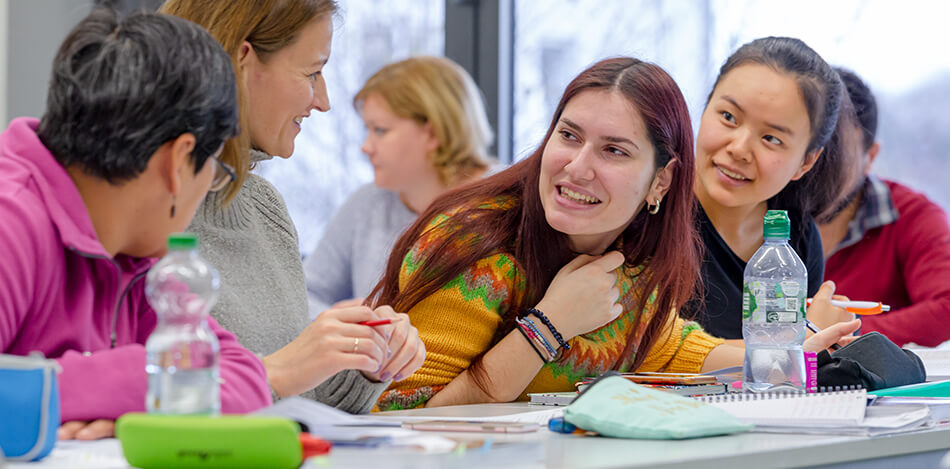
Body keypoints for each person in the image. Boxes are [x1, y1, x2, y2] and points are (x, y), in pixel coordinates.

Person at [367, 57, 859, 410]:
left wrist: (784, 354)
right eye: (569, 135)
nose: (577, 168)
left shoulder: (633, 255)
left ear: (661, 181)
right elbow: (405, 409)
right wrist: (550, 324)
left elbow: (667, 344)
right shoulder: (474, 242)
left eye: (614, 151)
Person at [0, 9, 270, 440]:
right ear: (180, 160)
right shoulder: (10, 220)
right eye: (215, 170)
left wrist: (117, 404)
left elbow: (245, 381)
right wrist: (129, 379)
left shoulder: (137, 253)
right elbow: (193, 379)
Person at [160, 0, 425, 412]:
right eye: (312, 72)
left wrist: (367, 360)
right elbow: (154, 399)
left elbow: (300, 397)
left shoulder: (264, 206)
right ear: (242, 62)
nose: (323, 101)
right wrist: (281, 369)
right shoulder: (142, 213)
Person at [688, 37, 854, 339]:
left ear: (805, 162)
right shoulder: (649, 208)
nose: (739, 149)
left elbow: (789, 379)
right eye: (728, 117)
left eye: (771, 139)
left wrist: (819, 339)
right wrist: (804, 336)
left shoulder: (797, 236)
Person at [304, 56, 494, 316]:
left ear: (433, 132)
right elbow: (306, 294)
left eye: (380, 130)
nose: (366, 146)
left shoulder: (509, 202)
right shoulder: (367, 202)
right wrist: (340, 322)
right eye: (367, 130)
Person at [817, 68, 950, 347]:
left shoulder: (913, 216)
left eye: (835, 155)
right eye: (809, 149)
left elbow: (946, 308)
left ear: (870, 157)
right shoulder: (757, 209)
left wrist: (840, 330)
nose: (815, 168)